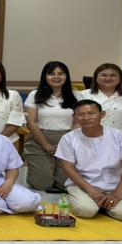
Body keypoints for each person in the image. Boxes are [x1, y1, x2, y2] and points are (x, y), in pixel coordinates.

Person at [56, 100, 122, 221]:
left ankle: (102, 204)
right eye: (81, 114)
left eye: (91, 113)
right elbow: (67, 168)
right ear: (74, 117)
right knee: (86, 211)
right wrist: (93, 192)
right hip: (82, 186)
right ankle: (92, 202)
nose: (86, 118)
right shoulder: (68, 138)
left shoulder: (120, 136)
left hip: (113, 186)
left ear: (102, 115)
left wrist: (118, 194)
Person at [24, 61, 81, 193]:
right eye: (51, 74)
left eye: (61, 74)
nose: (56, 77)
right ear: (45, 76)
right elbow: (31, 122)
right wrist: (46, 145)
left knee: (64, 185)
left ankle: (56, 175)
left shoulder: (77, 95)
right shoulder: (35, 95)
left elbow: (78, 122)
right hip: (40, 140)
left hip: (68, 140)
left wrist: (65, 144)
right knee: (42, 184)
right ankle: (37, 173)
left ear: (67, 76)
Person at [80, 63, 122, 140]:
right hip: (86, 141)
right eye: (103, 75)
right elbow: (76, 120)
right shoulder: (82, 95)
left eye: (113, 75)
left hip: (120, 142)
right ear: (96, 77)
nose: (108, 78)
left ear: (120, 78)